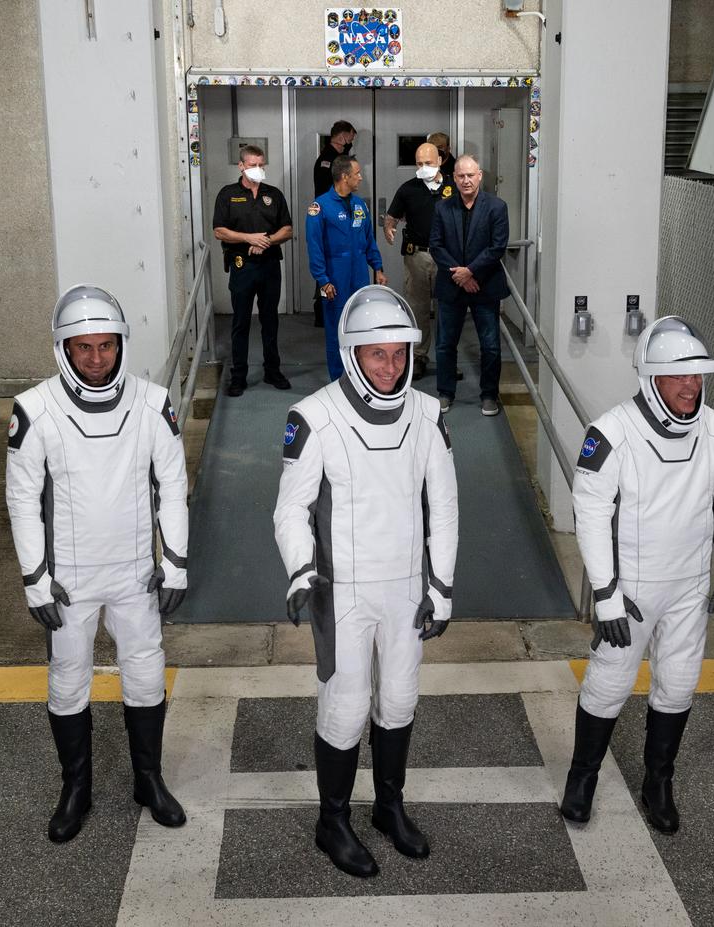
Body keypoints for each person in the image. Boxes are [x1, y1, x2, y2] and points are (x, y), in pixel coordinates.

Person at [272, 285, 458, 878]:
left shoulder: (429, 416)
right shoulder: (314, 417)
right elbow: (289, 510)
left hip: (406, 588)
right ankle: (333, 820)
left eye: (399, 353)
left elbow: (445, 506)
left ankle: (388, 807)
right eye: (378, 354)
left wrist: (442, 586)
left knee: (400, 699)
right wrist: (302, 572)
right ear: (353, 353)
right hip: (342, 591)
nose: (391, 366)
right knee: (346, 707)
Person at [4, 285, 189, 843]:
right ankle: (76, 789)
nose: (96, 358)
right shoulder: (33, 409)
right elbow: (21, 499)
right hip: (69, 583)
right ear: (62, 348)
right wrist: (36, 579)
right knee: (67, 683)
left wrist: (175, 562)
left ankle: (148, 780)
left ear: (120, 345)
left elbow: (173, 487)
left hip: (137, 572)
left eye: (106, 345)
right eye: (83, 347)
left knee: (145, 675)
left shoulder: (154, 403)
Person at [560, 316, 714, 836]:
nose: (692, 387)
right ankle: (582, 778)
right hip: (631, 591)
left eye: (698, 376)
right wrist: (607, 594)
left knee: (678, 686)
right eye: (678, 376)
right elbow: (589, 515)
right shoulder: (611, 432)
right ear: (651, 378)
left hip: (688, 587)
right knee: (607, 685)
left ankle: (658, 781)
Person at [428, 154, 509, 416]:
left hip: (485, 286)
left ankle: (488, 394)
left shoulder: (497, 207)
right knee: (445, 344)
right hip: (452, 287)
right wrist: (461, 276)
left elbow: (497, 247)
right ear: (454, 177)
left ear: (480, 175)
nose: (465, 181)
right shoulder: (442, 207)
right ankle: (445, 392)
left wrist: (471, 272)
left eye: (470, 175)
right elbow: (436, 246)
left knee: (490, 345)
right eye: (460, 176)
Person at [211, 145, 293, 397]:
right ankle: (238, 376)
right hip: (241, 266)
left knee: (270, 320)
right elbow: (219, 231)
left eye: (262, 164)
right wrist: (249, 239)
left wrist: (265, 240)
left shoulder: (274, 194)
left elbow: (287, 229)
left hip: (269, 265)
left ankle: (272, 370)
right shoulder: (227, 194)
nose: (259, 169)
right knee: (241, 322)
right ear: (241, 166)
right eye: (253, 165)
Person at [307, 154, 386, 382]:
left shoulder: (360, 205)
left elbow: (369, 240)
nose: (361, 178)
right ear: (344, 176)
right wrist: (323, 280)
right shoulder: (319, 207)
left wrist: (378, 268)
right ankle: (338, 381)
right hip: (334, 278)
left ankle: (359, 377)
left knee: (360, 327)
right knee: (336, 331)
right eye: (357, 173)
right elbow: (315, 248)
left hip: (360, 276)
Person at [383, 141, 450, 380]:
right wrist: (388, 228)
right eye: (419, 163)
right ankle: (419, 356)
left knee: (448, 309)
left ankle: (447, 358)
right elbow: (391, 217)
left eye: (429, 163)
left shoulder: (453, 185)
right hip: (417, 256)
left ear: (440, 161)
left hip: (447, 257)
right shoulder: (408, 189)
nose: (424, 167)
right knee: (418, 308)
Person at [312, 121, 358, 328]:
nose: (351, 143)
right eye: (350, 138)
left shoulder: (338, 157)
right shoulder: (327, 160)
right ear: (342, 136)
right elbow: (325, 193)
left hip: (342, 216)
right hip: (328, 218)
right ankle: (322, 313)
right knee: (325, 267)